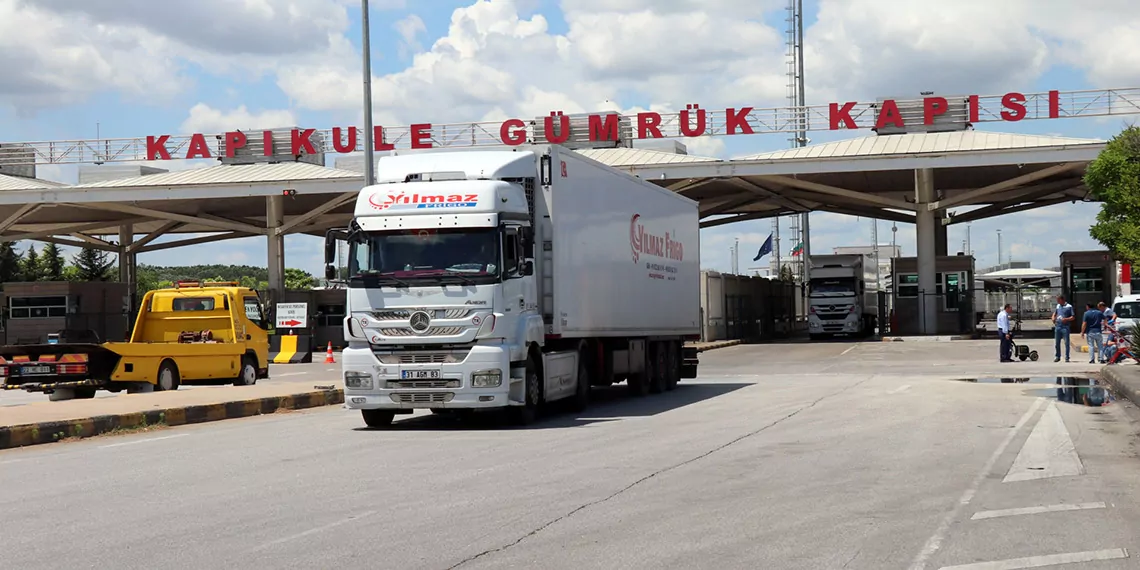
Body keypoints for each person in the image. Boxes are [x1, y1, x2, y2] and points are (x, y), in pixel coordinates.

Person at [1052, 295, 1075, 362]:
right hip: (1058, 326)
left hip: (1065, 327)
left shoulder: (1069, 307)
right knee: (1057, 343)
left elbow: (1073, 317)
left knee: (1066, 343)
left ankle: (1067, 357)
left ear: (1062, 300)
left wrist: (1066, 319)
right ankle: (1057, 356)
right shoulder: (1058, 306)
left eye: (1058, 300)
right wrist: (1053, 317)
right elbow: (1055, 313)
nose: (1057, 301)